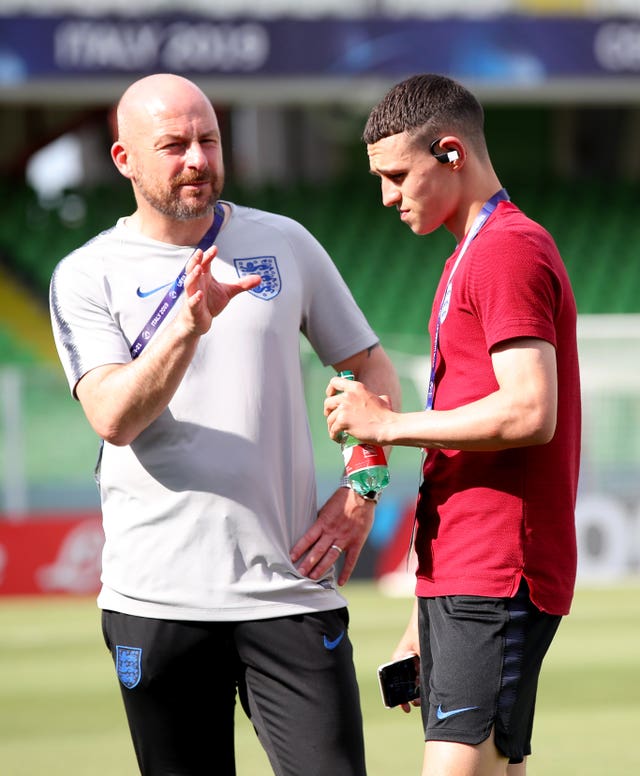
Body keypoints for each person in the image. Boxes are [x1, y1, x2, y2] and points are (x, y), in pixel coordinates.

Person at [49, 73, 401, 776]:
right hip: (156, 601)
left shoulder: (286, 243)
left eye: (208, 140)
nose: (198, 160)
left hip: (290, 588)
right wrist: (187, 324)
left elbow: (371, 367)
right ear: (124, 160)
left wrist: (363, 489)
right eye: (174, 145)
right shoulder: (87, 275)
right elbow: (113, 416)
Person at [324, 74, 581, 776]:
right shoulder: (467, 255)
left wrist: (388, 421)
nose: (386, 196)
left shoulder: (505, 250)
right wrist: (423, 610)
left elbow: (531, 410)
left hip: (500, 568)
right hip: (465, 573)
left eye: (397, 175)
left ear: (450, 152)